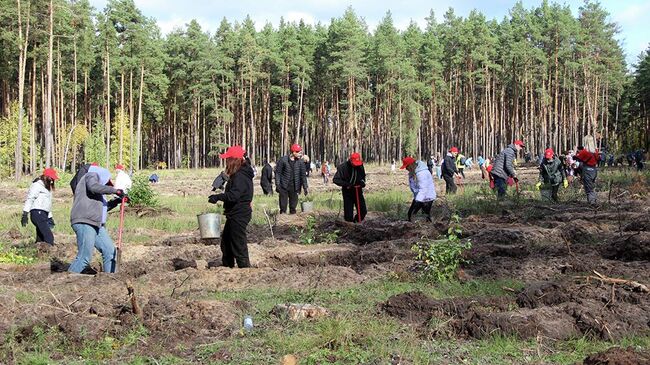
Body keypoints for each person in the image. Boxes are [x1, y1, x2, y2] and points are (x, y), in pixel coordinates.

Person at [69, 165, 126, 273]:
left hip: (96, 224)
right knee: (84, 257)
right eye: (106, 183)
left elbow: (102, 208)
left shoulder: (97, 192)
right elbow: (93, 187)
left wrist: (116, 201)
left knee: (110, 251)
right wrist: (115, 190)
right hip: (85, 221)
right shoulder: (91, 175)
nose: (105, 185)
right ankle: (65, 281)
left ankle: (110, 279)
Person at [208, 146, 254, 268]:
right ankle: (228, 266)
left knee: (238, 243)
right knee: (226, 243)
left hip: (239, 214)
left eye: (228, 159)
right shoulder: (239, 174)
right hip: (234, 213)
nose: (226, 162)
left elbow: (234, 196)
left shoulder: (240, 176)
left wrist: (218, 197)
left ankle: (245, 268)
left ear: (234, 160)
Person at [22, 168, 59, 246]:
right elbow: (30, 199)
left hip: (43, 214)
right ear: (46, 177)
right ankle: (50, 254)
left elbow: (47, 204)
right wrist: (25, 213)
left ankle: (38, 253)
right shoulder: (37, 185)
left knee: (40, 237)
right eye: (51, 178)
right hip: (37, 213)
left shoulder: (46, 187)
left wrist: (50, 217)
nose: (52, 180)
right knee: (49, 237)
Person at [333, 152, 367, 223]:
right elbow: (336, 179)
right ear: (350, 160)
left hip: (358, 191)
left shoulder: (360, 166)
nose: (356, 166)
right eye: (354, 164)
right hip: (348, 192)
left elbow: (363, 176)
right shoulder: (343, 167)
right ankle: (349, 228)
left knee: (363, 210)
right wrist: (347, 184)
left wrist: (362, 182)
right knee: (348, 216)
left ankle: (356, 222)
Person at [275, 144, 309, 214]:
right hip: (283, 186)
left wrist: (305, 187)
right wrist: (278, 185)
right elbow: (278, 173)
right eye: (298, 152)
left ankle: (292, 222)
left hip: (295, 187)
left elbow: (303, 176)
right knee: (283, 207)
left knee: (293, 207)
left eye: (300, 152)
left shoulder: (300, 162)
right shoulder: (283, 160)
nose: (300, 154)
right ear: (294, 152)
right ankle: (282, 221)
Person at [401, 157, 436, 222]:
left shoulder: (422, 173)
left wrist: (417, 201)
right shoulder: (413, 172)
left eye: (407, 167)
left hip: (426, 197)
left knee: (423, 215)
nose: (406, 169)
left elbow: (423, 189)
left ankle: (429, 228)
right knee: (410, 214)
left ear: (411, 165)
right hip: (419, 196)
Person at [573, 137, 599, 205]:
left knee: (588, 188)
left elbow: (576, 158)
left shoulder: (584, 151)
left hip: (587, 170)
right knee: (592, 187)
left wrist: (575, 152)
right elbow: (598, 159)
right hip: (594, 171)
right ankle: (594, 200)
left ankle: (592, 203)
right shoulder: (596, 151)